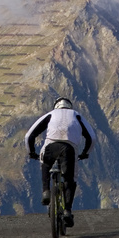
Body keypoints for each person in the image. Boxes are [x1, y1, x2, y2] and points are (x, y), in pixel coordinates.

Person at [24, 97, 96, 228]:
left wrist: (31, 152)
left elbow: (29, 135)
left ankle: (46, 190)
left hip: (50, 146)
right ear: (69, 106)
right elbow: (92, 137)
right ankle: (67, 210)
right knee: (70, 179)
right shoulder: (77, 115)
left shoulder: (50, 114)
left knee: (45, 164)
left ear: (56, 106)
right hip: (69, 148)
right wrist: (85, 152)